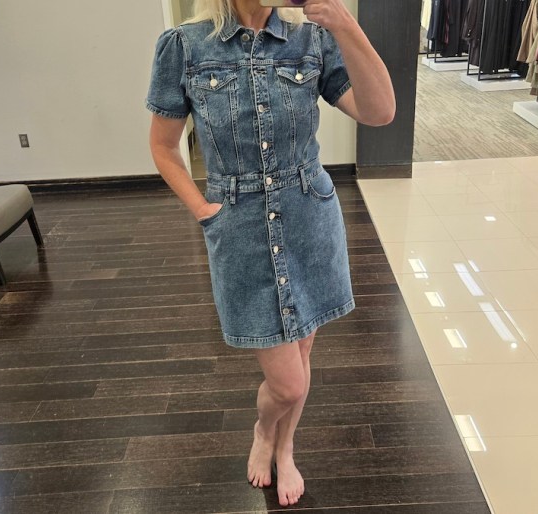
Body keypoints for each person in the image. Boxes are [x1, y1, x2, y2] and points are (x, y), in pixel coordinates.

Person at [146, 0, 394, 507]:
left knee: (301, 360)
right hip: (239, 229)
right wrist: (204, 211)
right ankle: (265, 430)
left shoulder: (314, 40)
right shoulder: (184, 47)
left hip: (309, 217)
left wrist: (345, 23)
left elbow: (379, 111)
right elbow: (163, 146)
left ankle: (286, 446)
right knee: (287, 383)